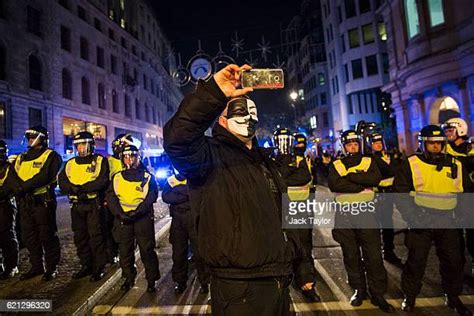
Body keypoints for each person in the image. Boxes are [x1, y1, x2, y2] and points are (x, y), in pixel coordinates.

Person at [164, 64, 301, 316]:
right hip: (238, 289)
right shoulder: (208, 156)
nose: (247, 117)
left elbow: (285, 216)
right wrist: (214, 93)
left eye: (251, 111)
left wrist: (299, 264)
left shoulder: (264, 162)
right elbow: (178, 139)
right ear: (222, 119)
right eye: (239, 110)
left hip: (279, 280)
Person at [393, 125, 472, 315]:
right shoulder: (411, 163)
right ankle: (410, 297)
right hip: (421, 220)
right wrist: (413, 217)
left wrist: (462, 217)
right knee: (416, 262)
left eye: (439, 143)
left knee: (453, 262)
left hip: (448, 221)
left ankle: (453, 297)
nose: (436, 147)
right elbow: (400, 193)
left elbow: (467, 194)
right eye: (431, 143)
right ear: (423, 144)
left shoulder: (456, 164)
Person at [328, 130, 394, 313]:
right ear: (344, 146)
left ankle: (378, 294)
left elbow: (375, 178)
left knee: (373, 255)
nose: (353, 147)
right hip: (344, 216)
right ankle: (359, 290)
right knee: (351, 256)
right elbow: (335, 184)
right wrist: (362, 183)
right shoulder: (336, 164)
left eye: (356, 143)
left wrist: (350, 177)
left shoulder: (369, 160)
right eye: (349, 144)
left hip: (367, 214)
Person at [273, 129, 321, 302]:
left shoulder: (300, 159)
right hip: (278, 209)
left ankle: (307, 282)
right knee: (281, 247)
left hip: (299, 208)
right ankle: (282, 284)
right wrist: (287, 175)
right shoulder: (270, 160)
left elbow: (303, 178)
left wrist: (282, 177)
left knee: (303, 246)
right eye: (281, 140)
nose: (284, 144)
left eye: (287, 140)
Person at [105, 145, 160, 293]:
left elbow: (151, 197)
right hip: (123, 219)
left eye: (132, 156)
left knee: (147, 250)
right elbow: (111, 197)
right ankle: (128, 278)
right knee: (125, 252)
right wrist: (119, 214)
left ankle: (151, 280)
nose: (129, 159)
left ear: (138, 157)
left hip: (142, 219)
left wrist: (138, 212)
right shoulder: (116, 177)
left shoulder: (148, 177)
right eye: (126, 156)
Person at [10, 126, 62, 281]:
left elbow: (45, 175)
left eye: (34, 137)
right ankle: (36, 266)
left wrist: (24, 187)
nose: (31, 139)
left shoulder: (51, 155)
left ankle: (52, 268)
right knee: (29, 237)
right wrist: (18, 188)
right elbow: (12, 174)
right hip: (25, 202)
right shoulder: (22, 157)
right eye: (29, 137)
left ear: (42, 138)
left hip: (43, 202)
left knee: (47, 235)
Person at [58, 131, 109, 281]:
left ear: (90, 145)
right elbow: (62, 182)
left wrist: (81, 188)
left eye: (83, 145)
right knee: (80, 237)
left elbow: (102, 180)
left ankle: (99, 268)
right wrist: (73, 189)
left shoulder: (100, 161)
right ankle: (86, 265)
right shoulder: (70, 163)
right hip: (76, 206)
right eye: (78, 145)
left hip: (93, 205)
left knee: (96, 237)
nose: (80, 148)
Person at [162, 169, 210, 294]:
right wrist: (188, 192)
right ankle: (180, 281)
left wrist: (178, 190)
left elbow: (200, 195)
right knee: (178, 253)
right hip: (178, 220)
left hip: (193, 219)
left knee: (200, 253)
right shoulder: (171, 180)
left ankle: (204, 282)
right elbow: (166, 197)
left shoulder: (196, 177)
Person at [368, 133, 403, 266]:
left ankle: (389, 251)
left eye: (380, 142)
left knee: (389, 225)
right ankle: (379, 252)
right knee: (380, 224)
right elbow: (386, 172)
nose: (378, 145)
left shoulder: (390, 156)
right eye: (375, 143)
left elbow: (398, 170)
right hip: (380, 195)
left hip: (392, 192)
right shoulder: (372, 159)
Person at [0, 140, 19, 280]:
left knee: (6, 235)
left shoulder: (8, 168)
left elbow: (9, 186)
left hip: (5, 204)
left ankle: (11, 266)